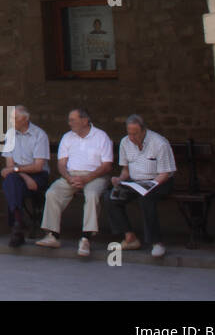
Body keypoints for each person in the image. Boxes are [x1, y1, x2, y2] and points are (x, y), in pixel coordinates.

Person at [37, 107, 113, 256]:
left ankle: (86, 238)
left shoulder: (101, 137)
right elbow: (61, 163)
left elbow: (107, 166)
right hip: (71, 176)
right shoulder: (67, 137)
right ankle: (53, 235)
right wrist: (69, 177)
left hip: (95, 175)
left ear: (85, 121)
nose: (69, 123)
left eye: (73, 120)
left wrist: (87, 178)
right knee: (53, 193)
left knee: (91, 195)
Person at [106, 113, 177, 258]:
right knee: (111, 197)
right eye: (130, 133)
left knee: (146, 199)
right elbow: (125, 170)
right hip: (136, 181)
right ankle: (129, 237)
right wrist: (119, 179)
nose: (132, 137)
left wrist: (150, 185)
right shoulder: (125, 142)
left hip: (159, 180)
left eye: (135, 134)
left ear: (144, 130)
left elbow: (165, 173)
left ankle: (156, 242)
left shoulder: (159, 143)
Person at [0, 105, 50, 246]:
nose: (11, 121)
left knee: (10, 183)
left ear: (25, 119)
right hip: (20, 175)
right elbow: (9, 165)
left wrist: (18, 171)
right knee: (11, 181)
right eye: (11, 118)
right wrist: (23, 175)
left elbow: (38, 166)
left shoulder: (39, 135)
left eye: (15, 118)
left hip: (38, 175)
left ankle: (16, 226)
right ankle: (18, 224)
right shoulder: (10, 134)